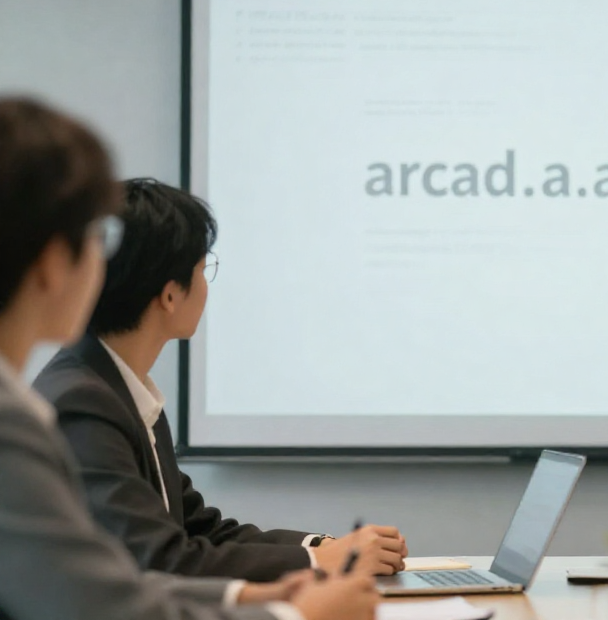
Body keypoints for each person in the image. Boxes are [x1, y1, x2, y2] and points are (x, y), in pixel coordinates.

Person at [0, 95, 377, 620]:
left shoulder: (118, 392)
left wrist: (257, 592)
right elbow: (110, 593)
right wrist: (296, 613)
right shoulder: (64, 405)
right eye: (94, 239)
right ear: (52, 261)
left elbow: (184, 536)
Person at [31, 178, 408, 582]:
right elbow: (160, 558)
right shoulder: (83, 403)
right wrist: (320, 564)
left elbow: (201, 529)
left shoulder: (121, 391)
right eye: (202, 269)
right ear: (170, 295)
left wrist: (323, 548)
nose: (206, 285)